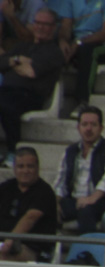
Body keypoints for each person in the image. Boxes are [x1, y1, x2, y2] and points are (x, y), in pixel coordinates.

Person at [0, 9, 63, 163]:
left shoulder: (54, 52)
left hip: (30, 95)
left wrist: (11, 63)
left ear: (53, 27)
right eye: (37, 23)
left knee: (5, 105)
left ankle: (13, 151)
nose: (40, 27)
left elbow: (31, 71)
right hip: (6, 90)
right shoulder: (21, 47)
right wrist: (17, 60)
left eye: (45, 24)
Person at [53, 105, 105, 234]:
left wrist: (91, 199)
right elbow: (60, 182)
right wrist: (55, 203)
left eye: (93, 125)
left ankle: (89, 251)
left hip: (101, 202)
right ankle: (48, 251)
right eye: (84, 124)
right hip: (75, 201)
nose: (88, 129)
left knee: (86, 210)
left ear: (101, 128)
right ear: (78, 127)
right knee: (45, 209)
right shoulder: (70, 151)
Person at [56, 0, 105, 107]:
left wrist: (79, 43)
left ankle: (83, 101)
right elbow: (66, 26)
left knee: (88, 51)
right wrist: (63, 40)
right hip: (77, 42)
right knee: (53, 46)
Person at [0, 147, 56, 262]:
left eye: (30, 166)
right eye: (21, 167)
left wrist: (10, 241)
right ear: (14, 169)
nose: (25, 171)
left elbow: (30, 218)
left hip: (33, 249)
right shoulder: (5, 188)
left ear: (37, 168)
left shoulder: (45, 191)